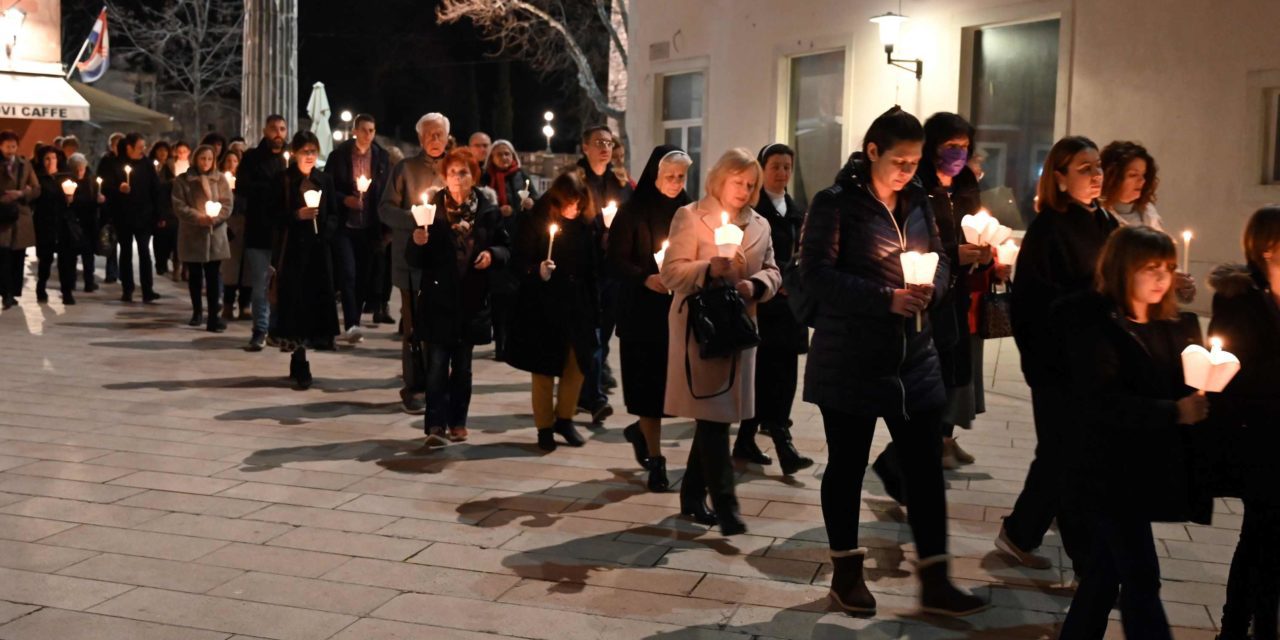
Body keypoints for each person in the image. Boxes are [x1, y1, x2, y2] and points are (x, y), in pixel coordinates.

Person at [802, 107, 986, 616]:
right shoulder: (835, 204)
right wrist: (886, 298)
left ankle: (936, 580)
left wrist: (933, 288)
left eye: (914, 160)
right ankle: (846, 574)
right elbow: (815, 273)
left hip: (914, 357)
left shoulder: (920, 202)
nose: (908, 170)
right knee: (848, 465)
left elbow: (943, 257)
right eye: (899, 160)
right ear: (873, 152)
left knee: (925, 469)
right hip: (850, 357)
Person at [1056, 226, 1211, 640]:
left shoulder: (1172, 326)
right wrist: (1174, 411)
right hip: (1105, 471)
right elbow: (1102, 402)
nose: (1162, 277)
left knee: (1105, 575)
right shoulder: (1097, 325)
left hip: (1143, 470)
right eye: (1150, 268)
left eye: (1168, 268)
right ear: (1124, 269)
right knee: (1142, 577)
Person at [998, 136, 1117, 574]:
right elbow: (1032, 306)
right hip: (1059, 362)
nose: (1096, 175)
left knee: (1069, 454)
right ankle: (1068, 550)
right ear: (1060, 177)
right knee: (1062, 452)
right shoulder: (1050, 229)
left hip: (1098, 361)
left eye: (1098, 166)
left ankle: (1026, 533)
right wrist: (1097, 297)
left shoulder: (1105, 221)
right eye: (1084, 168)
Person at [661, 148, 781, 536]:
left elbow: (775, 271)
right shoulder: (691, 216)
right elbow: (671, 274)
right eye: (737, 182)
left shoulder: (761, 224)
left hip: (739, 328)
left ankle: (693, 496)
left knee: (715, 416)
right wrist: (708, 268)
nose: (744, 190)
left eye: (750, 184)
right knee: (713, 417)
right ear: (719, 179)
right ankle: (726, 504)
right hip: (701, 330)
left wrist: (755, 285)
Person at [871, 114, 988, 493]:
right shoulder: (918, 190)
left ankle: (916, 457)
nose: (958, 153)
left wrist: (985, 255)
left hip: (954, 298)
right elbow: (925, 247)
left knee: (949, 381)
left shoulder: (966, 186)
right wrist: (956, 254)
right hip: (922, 302)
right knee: (927, 388)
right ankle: (905, 463)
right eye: (949, 145)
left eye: (963, 145)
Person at [1208, 206, 1280, 640]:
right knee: (1261, 536)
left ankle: (1254, 626)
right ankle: (1243, 627)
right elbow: (1231, 368)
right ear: (1268, 246)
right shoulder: (1240, 297)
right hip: (1258, 435)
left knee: (1267, 537)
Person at [406, 149, 508, 446]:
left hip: (471, 299)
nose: (457, 179)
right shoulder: (430, 209)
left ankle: (458, 421)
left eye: (463, 172)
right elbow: (414, 258)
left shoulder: (487, 210)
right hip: (439, 299)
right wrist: (417, 241)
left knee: (462, 368)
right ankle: (435, 425)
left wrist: (491, 254)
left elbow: (505, 247)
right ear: (444, 177)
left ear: (473, 175)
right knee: (437, 365)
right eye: (452, 173)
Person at [609, 145, 692, 492]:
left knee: (672, 391)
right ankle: (656, 462)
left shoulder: (689, 212)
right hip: (641, 313)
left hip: (677, 314)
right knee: (648, 390)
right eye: (670, 176)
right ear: (654, 176)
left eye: (681, 177)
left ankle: (641, 431)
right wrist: (645, 277)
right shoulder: (632, 212)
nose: (675, 183)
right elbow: (615, 259)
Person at [730, 143, 815, 476]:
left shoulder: (796, 210)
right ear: (762, 169)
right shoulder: (754, 209)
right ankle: (782, 442)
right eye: (775, 166)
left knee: (785, 374)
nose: (782, 172)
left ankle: (746, 441)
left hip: (790, 304)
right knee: (764, 374)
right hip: (763, 304)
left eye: (787, 166)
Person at [506, 172, 599, 452]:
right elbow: (517, 261)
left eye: (580, 203)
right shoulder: (536, 220)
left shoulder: (584, 225)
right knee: (544, 371)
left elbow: (591, 266)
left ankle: (565, 418)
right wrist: (537, 271)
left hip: (576, 305)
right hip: (543, 306)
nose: (575, 209)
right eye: (570, 203)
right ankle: (544, 427)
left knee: (578, 364)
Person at [380, 113, 449, 415]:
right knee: (413, 328)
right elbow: (384, 210)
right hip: (411, 265)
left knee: (441, 327)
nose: (435, 140)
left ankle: (437, 383)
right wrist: (415, 219)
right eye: (430, 135)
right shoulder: (404, 169)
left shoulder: (453, 170)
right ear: (420, 138)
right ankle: (414, 385)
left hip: (443, 265)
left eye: (440, 135)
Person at [270, 131, 340, 389]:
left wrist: (326, 230)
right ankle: (300, 361)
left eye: (313, 151)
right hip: (293, 253)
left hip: (318, 252)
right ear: (296, 153)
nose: (310, 156)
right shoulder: (284, 180)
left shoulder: (325, 180)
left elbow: (333, 213)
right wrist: (296, 215)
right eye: (305, 151)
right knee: (295, 305)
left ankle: (306, 351)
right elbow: (274, 215)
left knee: (314, 304)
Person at [573, 125, 634, 423]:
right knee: (591, 335)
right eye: (598, 142)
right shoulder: (573, 181)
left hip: (613, 269)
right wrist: (596, 233)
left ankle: (582, 394)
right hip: (583, 269)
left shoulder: (621, 182)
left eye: (608, 143)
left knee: (603, 335)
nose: (604, 148)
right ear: (585, 147)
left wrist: (619, 237)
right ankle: (594, 397)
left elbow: (633, 218)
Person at [1100, 141, 1196, 304]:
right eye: (1133, 175)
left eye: (1143, 175)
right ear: (1113, 178)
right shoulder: (1101, 217)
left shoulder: (1148, 212)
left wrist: (1179, 281)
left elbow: (1161, 256)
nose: (1141, 181)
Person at [326, 113, 390, 344]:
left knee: (364, 276)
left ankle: (356, 319)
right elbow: (329, 187)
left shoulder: (381, 158)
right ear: (354, 131)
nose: (368, 135)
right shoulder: (339, 156)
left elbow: (385, 191)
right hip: (345, 225)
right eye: (363, 130)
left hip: (369, 226)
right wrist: (346, 200)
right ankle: (351, 323)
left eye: (372, 130)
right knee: (348, 273)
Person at [480, 139, 536, 361]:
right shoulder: (485, 179)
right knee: (498, 296)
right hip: (494, 243)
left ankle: (512, 340)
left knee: (515, 295)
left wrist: (529, 205)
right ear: (492, 157)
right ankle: (500, 342)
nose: (505, 158)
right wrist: (496, 211)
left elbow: (536, 201)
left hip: (519, 241)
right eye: (500, 154)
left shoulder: (522, 177)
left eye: (508, 154)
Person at [239, 115, 290, 351]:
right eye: (273, 129)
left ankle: (278, 329)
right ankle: (260, 329)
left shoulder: (291, 158)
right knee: (260, 283)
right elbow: (243, 187)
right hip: (259, 230)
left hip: (285, 233)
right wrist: (276, 186)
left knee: (282, 284)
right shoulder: (251, 158)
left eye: (281, 129)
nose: (278, 133)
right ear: (264, 130)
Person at [172, 144, 233, 331]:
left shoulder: (220, 179)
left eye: (209, 159)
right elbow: (179, 205)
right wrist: (199, 218)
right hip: (193, 234)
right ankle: (197, 311)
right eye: (202, 158)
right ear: (195, 159)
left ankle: (213, 314)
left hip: (215, 234)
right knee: (195, 275)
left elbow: (227, 203)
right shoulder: (183, 180)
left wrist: (215, 218)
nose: (205, 162)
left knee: (213, 276)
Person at [103, 133, 162, 303]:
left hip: (144, 216)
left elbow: (155, 189)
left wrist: (158, 213)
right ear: (129, 148)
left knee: (144, 252)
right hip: (123, 216)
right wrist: (118, 188)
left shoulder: (146, 164)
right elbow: (105, 187)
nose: (143, 151)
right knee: (126, 253)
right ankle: (127, 289)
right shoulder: (114, 164)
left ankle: (147, 289)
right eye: (140, 147)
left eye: (144, 147)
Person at [32, 146, 79, 304]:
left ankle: (66, 292)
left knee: (65, 260)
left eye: (53, 158)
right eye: (47, 158)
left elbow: (76, 197)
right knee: (45, 258)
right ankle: (41, 287)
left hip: (63, 222)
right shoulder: (38, 177)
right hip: (45, 222)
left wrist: (71, 199)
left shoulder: (65, 177)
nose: (50, 162)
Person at [0, 131, 39, 309]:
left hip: (20, 216)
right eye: (7, 146)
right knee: (3, 256)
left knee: (17, 256)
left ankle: (13, 292)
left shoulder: (25, 165)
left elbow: (36, 188)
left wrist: (22, 193)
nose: (10, 150)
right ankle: (6, 293)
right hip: (2, 216)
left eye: (13, 146)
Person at [218, 149, 250, 321]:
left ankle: (245, 304)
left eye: (235, 161)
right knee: (230, 268)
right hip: (229, 227)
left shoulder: (246, 183)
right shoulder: (219, 183)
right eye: (228, 161)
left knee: (247, 269)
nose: (231, 165)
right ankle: (228, 304)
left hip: (246, 225)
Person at [65, 153, 104, 293]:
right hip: (74, 223)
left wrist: (99, 200)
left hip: (89, 222)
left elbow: (94, 198)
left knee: (88, 255)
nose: (79, 172)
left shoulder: (91, 180)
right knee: (72, 255)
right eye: (76, 169)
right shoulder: (67, 181)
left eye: (81, 168)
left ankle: (89, 282)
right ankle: (71, 282)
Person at [96, 132, 124, 284]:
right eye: (115, 144)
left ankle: (123, 271)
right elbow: (101, 180)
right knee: (111, 239)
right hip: (110, 204)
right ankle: (112, 271)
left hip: (125, 205)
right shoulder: (106, 161)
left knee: (123, 240)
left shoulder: (128, 161)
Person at [150, 141, 179, 278]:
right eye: (159, 150)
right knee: (159, 236)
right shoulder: (151, 166)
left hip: (170, 207)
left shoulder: (170, 167)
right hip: (156, 206)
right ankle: (160, 263)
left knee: (171, 236)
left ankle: (172, 263)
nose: (162, 153)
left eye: (165, 151)